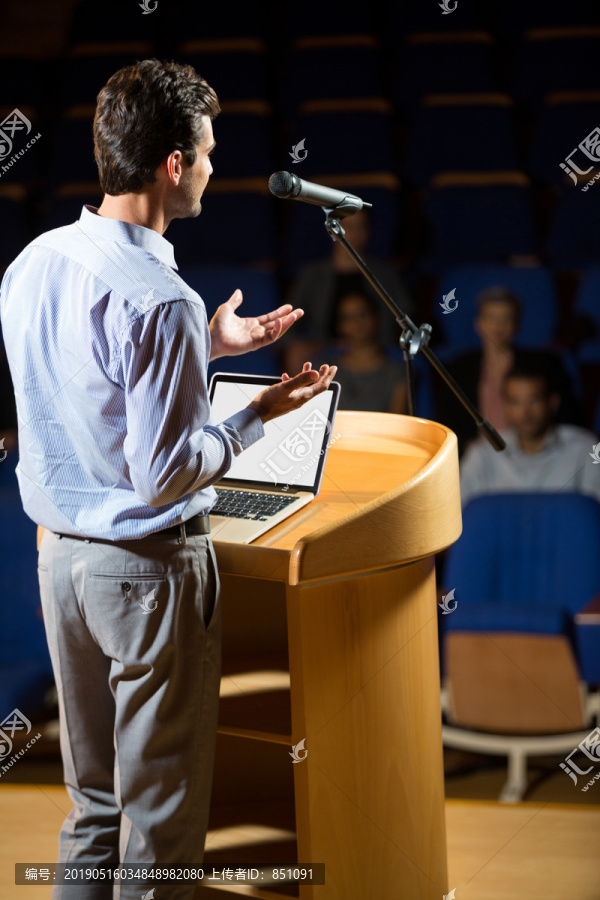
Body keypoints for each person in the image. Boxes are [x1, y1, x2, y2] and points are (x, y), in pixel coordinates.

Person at [0, 59, 336, 900]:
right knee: (162, 828)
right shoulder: (161, 296)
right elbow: (164, 474)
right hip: (146, 571)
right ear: (174, 165)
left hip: (61, 563)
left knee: (94, 807)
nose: (216, 168)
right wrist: (261, 416)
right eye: (210, 152)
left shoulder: (35, 261)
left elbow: (84, 385)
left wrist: (208, 346)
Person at [437, 286, 581, 455]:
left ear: (517, 324)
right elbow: (447, 422)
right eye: (491, 318)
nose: (498, 326)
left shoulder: (543, 365)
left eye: (506, 318)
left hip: (532, 454)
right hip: (478, 458)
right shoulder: (460, 366)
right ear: (479, 323)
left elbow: (566, 417)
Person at [282, 207, 413, 374]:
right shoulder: (313, 275)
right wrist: (319, 345)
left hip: (374, 348)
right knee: (296, 352)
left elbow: (407, 316)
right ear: (333, 230)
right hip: (328, 347)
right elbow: (286, 325)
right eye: (348, 227)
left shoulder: (385, 273)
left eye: (361, 226)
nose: (355, 233)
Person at [460, 361, 599, 507]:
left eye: (534, 400)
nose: (525, 412)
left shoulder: (587, 448)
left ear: (552, 402)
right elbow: (457, 517)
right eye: (515, 401)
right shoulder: (481, 454)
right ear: (505, 406)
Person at [317, 290, 407, 414]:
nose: (357, 322)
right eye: (348, 317)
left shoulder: (397, 373)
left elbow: (398, 424)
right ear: (339, 325)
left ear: (376, 317)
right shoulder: (324, 370)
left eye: (363, 314)